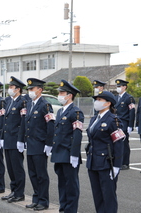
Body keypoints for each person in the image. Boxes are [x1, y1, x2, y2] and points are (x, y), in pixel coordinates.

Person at [86, 91, 124, 213]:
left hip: (107, 163)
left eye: (100, 100)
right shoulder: (94, 119)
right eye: (96, 99)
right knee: (97, 195)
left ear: (108, 103)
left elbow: (118, 144)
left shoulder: (113, 120)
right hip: (93, 162)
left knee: (108, 196)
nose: (96, 102)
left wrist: (117, 166)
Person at [20, 78, 54, 211]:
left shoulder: (45, 105)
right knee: (33, 174)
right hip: (31, 145)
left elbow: (50, 126)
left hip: (40, 145)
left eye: (32, 89)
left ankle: (43, 201)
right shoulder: (29, 104)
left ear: (40, 90)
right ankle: (36, 198)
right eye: (29, 89)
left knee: (41, 175)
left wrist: (48, 144)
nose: (30, 92)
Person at [51, 79, 84, 213]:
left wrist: (74, 155)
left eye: (62, 93)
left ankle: (71, 210)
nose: (60, 95)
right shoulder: (60, 112)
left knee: (71, 185)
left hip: (68, 153)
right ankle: (63, 208)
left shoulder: (76, 112)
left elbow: (77, 135)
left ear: (70, 95)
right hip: (59, 153)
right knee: (62, 184)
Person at [0, 76, 27, 203]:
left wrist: (21, 140)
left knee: (17, 167)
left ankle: (19, 193)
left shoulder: (22, 102)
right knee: (10, 167)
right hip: (8, 139)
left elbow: (23, 122)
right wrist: (1, 137)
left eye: (11, 87)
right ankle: (13, 190)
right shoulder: (9, 101)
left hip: (16, 140)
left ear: (18, 89)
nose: (9, 89)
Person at [114, 79, 135, 170]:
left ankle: (125, 163)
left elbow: (132, 112)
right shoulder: (115, 98)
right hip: (116, 123)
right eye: (117, 86)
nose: (118, 88)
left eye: (120, 86)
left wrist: (130, 125)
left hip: (124, 123)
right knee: (117, 143)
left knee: (124, 144)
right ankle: (118, 161)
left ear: (124, 87)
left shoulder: (129, 98)